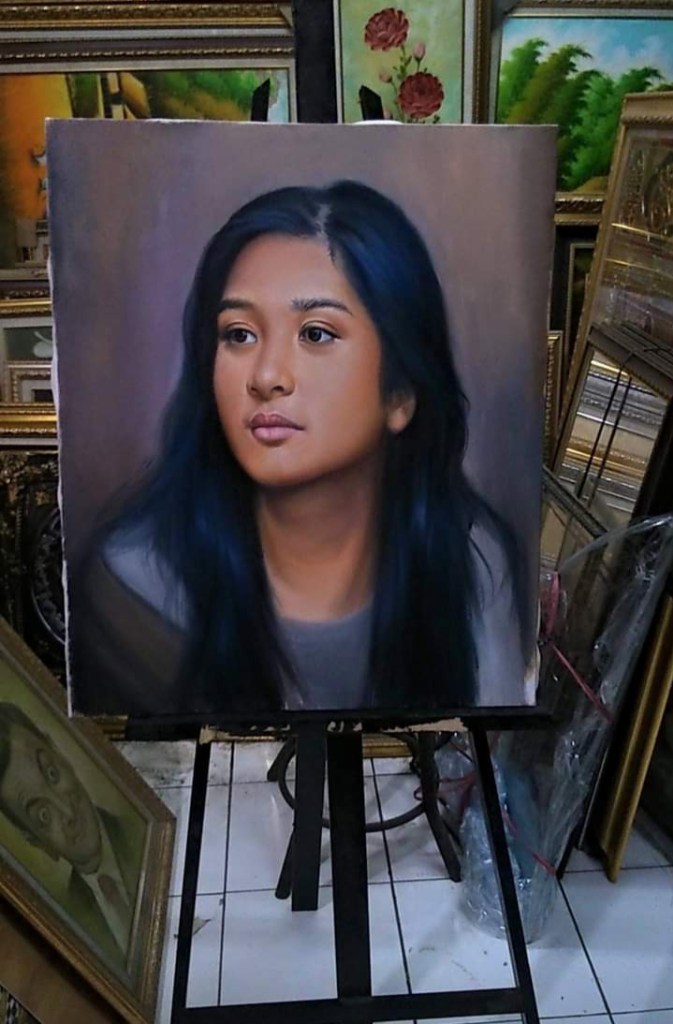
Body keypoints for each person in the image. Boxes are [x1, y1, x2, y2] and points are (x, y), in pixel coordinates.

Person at [68, 180, 536, 716]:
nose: (266, 376)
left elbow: (492, 755)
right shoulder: (138, 586)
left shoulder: (472, 560)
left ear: (401, 393)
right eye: (239, 334)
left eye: (315, 334)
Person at [0, 702, 144, 966]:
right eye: (43, 815)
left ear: (59, 753)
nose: (67, 812)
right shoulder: (71, 927)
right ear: (34, 839)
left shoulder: (141, 831)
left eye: (52, 774)